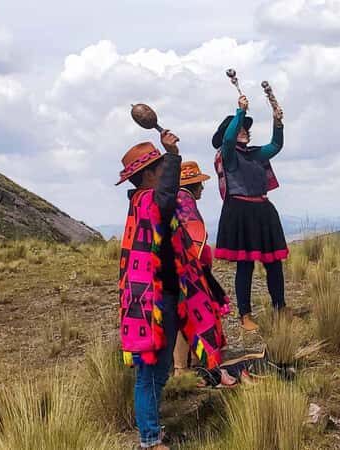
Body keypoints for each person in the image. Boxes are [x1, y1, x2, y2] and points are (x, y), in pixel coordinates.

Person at [117, 134, 227, 449]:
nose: (164, 169)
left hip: (162, 296)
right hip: (154, 301)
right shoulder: (150, 201)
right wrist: (174, 154)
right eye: (160, 166)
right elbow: (167, 197)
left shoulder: (144, 204)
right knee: (149, 374)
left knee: (158, 370)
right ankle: (149, 440)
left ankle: (152, 430)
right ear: (149, 175)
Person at [212, 94, 288, 331]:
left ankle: (280, 307)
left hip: (263, 211)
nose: (244, 130)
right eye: (240, 128)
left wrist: (277, 123)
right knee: (245, 266)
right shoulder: (228, 155)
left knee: (274, 264)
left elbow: (276, 145)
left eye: (246, 128)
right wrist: (240, 112)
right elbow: (226, 140)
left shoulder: (256, 154)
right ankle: (245, 315)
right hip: (240, 212)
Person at [172, 161, 231, 376]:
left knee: (189, 316)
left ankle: (194, 361)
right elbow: (191, 236)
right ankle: (182, 368)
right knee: (189, 316)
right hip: (189, 271)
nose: (203, 188)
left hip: (189, 268)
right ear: (193, 186)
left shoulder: (179, 200)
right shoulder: (184, 201)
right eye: (199, 184)